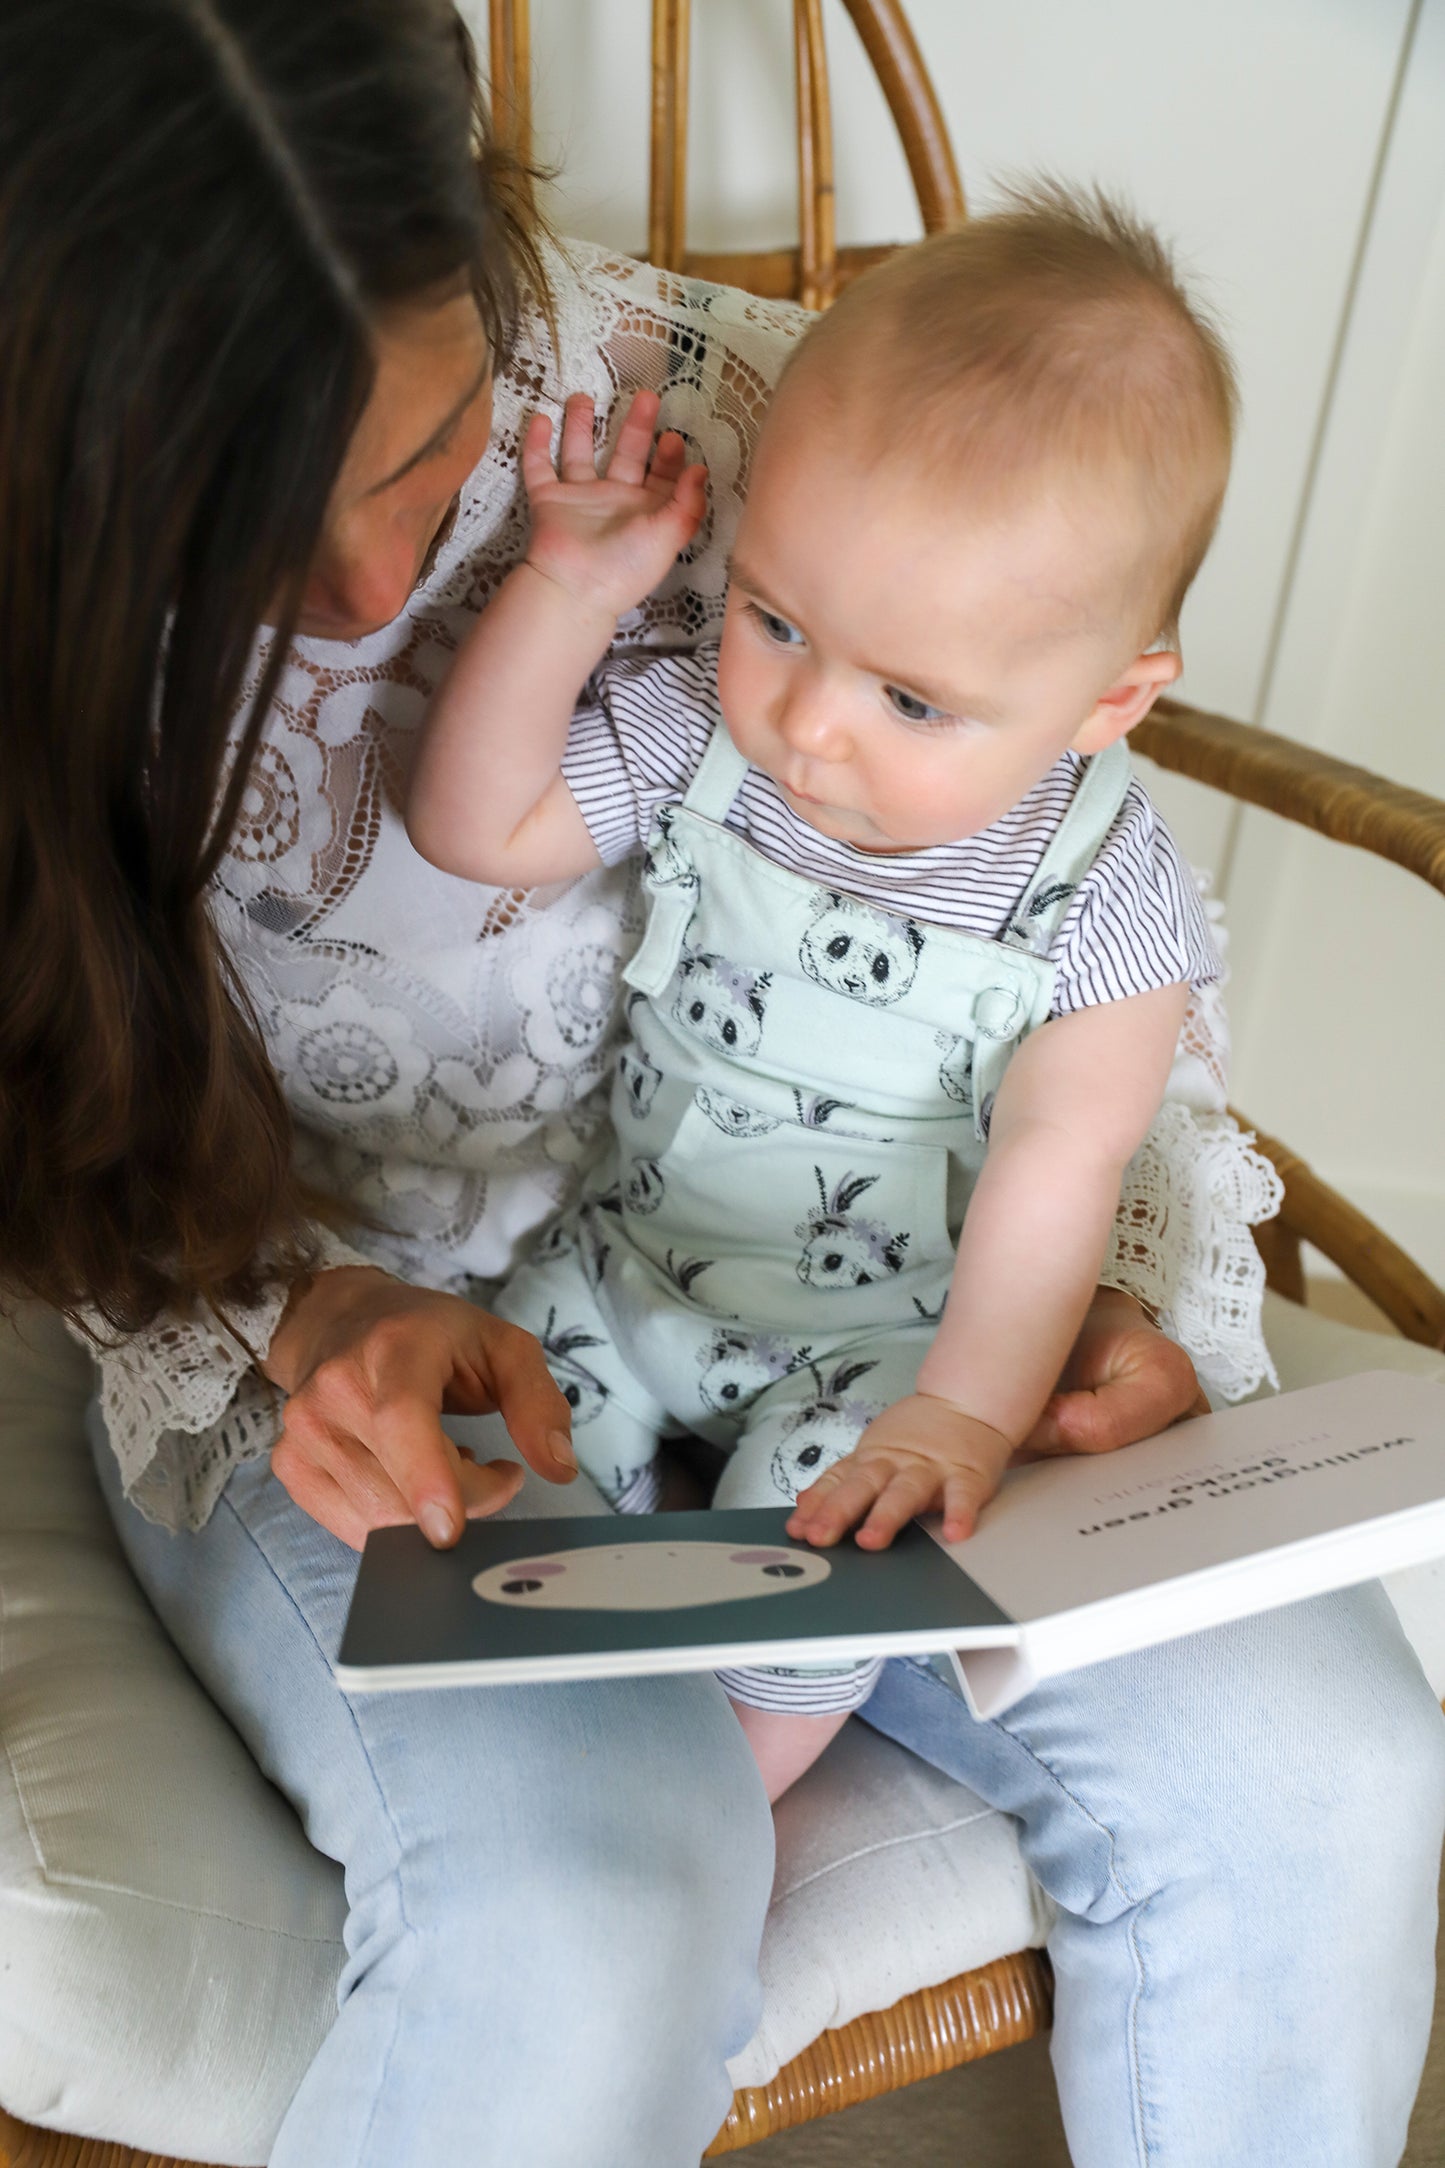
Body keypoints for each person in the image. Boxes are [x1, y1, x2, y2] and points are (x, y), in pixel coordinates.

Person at [0, 3, 1438, 2165]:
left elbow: (1076, 988)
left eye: (415, 465)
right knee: (603, 1886)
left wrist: (1106, 1299)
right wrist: (306, 1316)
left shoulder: (765, 442)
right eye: (248, 532)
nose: (379, 589)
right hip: (331, 1333)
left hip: (884, 1329)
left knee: (1317, 1759)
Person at [406, 191, 1228, 1800]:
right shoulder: (709, 736)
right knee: (493, 1439)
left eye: (911, 699)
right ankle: (508, 1752)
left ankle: (717, 1797)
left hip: (884, 1341)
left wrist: (965, 1418)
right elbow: (472, 827)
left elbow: (1061, 1175)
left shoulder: (1103, 891)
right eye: (777, 618)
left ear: (1108, 700)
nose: (809, 724)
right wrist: (573, 590)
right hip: (630, 1264)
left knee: (835, 1533)